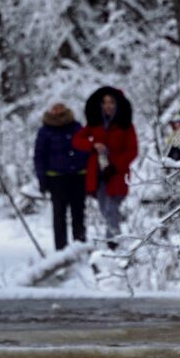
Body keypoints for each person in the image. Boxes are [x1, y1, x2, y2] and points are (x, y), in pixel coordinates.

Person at [73, 86, 138, 247]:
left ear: (118, 105)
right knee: (104, 209)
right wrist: (93, 145)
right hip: (98, 176)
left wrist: (116, 166)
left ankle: (113, 243)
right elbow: (76, 141)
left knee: (112, 208)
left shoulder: (126, 126)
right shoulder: (94, 125)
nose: (108, 106)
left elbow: (133, 151)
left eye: (111, 102)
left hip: (116, 175)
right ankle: (115, 238)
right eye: (105, 103)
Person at [34, 102, 90, 251]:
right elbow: (39, 156)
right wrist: (42, 180)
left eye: (60, 107)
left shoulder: (77, 127)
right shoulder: (45, 131)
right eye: (54, 108)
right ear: (50, 111)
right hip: (56, 179)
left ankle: (80, 246)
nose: (57, 110)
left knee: (78, 213)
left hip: (78, 177)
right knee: (59, 216)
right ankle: (61, 250)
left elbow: (87, 150)